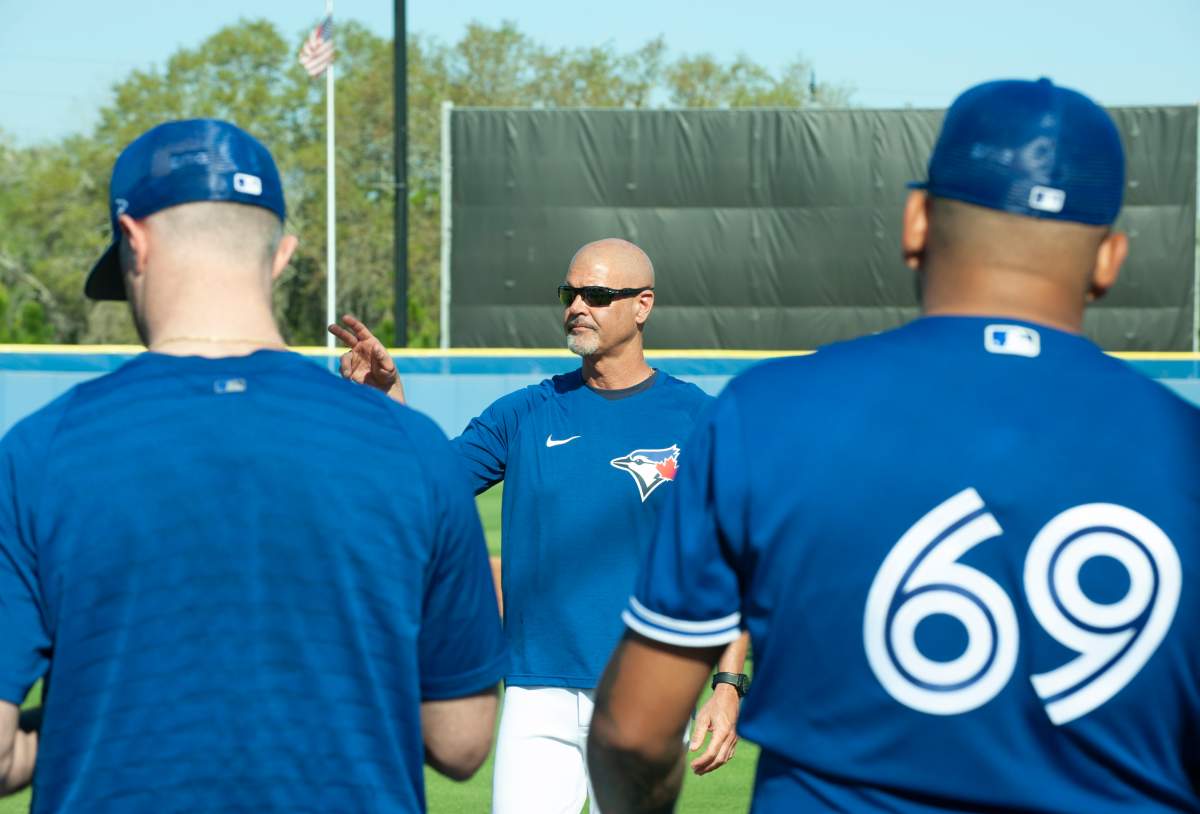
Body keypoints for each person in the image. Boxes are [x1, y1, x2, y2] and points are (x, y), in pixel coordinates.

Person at [588, 77, 1200, 813]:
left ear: (915, 221)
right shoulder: (1183, 450)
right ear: (1110, 259)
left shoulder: (770, 413)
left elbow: (632, 732)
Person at [0, 119, 507, 813]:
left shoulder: (38, 451)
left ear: (134, 242)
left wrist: (82, 723)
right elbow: (461, 739)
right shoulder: (414, 447)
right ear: (282, 255)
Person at [330, 238, 749, 813]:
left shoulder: (698, 418)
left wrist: (728, 687)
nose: (577, 305)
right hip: (535, 689)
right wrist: (388, 403)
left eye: (597, 295)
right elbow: (423, 486)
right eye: (569, 292)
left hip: (646, 692)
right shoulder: (524, 413)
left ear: (642, 305)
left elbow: (731, 562)